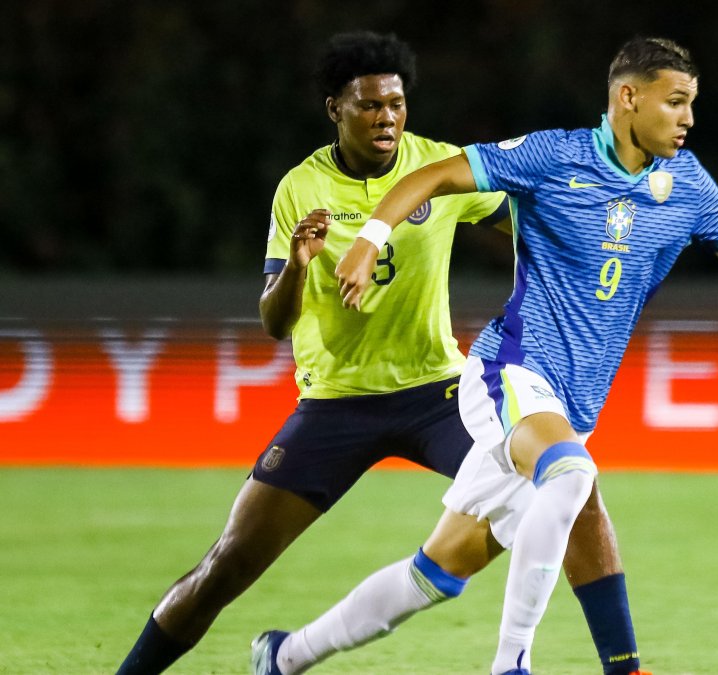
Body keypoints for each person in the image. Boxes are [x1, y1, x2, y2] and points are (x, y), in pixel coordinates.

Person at [115, 31, 643, 675]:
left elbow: (533, 221)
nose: (386, 117)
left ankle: (622, 664)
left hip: (437, 396)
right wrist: (297, 268)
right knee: (227, 564)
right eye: (368, 105)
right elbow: (275, 324)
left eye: (395, 103)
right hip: (336, 405)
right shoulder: (300, 189)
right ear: (334, 109)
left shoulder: (434, 167)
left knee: (572, 483)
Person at [253, 36, 718, 675]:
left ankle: (284, 656)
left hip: (576, 399)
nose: (688, 118)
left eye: (691, 103)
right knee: (574, 479)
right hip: (510, 371)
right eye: (676, 102)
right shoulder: (555, 154)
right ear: (628, 98)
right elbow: (434, 175)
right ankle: (518, 665)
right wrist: (370, 237)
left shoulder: (686, 184)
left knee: (437, 573)